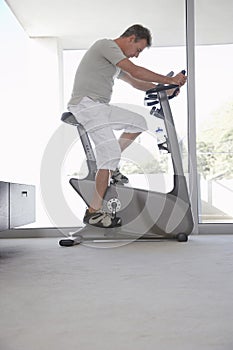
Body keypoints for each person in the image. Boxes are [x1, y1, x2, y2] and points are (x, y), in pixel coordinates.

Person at [67, 24, 187, 228]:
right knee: (110, 152)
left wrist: (164, 90)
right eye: (138, 50)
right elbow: (136, 71)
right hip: (86, 104)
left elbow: (136, 83)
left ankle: (111, 167)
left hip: (100, 106)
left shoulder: (115, 62)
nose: (137, 55)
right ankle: (93, 212)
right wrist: (170, 80)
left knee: (138, 122)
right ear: (131, 38)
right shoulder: (105, 45)